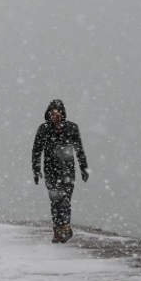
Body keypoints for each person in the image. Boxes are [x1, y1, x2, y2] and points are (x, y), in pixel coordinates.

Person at [31, 98, 89, 243]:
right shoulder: (43, 129)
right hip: (50, 170)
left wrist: (84, 168)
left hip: (67, 170)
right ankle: (57, 231)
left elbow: (79, 149)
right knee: (55, 201)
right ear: (49, 113)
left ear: (63, 113)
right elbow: (37, 151)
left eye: (57, 112)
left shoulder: (72, 128)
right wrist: (36, 169)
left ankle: (65, 228)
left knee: (65, 200)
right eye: (52, 112)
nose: (55, 115)